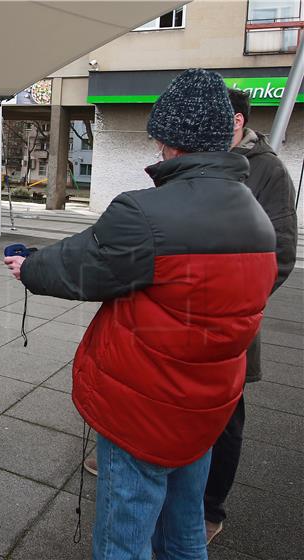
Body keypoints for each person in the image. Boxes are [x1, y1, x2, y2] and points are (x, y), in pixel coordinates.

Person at [4, 69, 278, 558]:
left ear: (171, 139)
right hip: (207, 404)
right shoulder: (257, 217)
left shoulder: (146, 212)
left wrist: (28, 267)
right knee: (185, 528)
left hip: (144, 405)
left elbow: (78, 267)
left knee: (123, 538)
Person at [203, 88, 298, 543]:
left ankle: (210, 507)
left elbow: (280, 255)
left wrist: (231, 302)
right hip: (178, 314)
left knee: (225, 415)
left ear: (237, 121)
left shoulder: (267, 169)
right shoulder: (200, 159)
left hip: (230, 316)